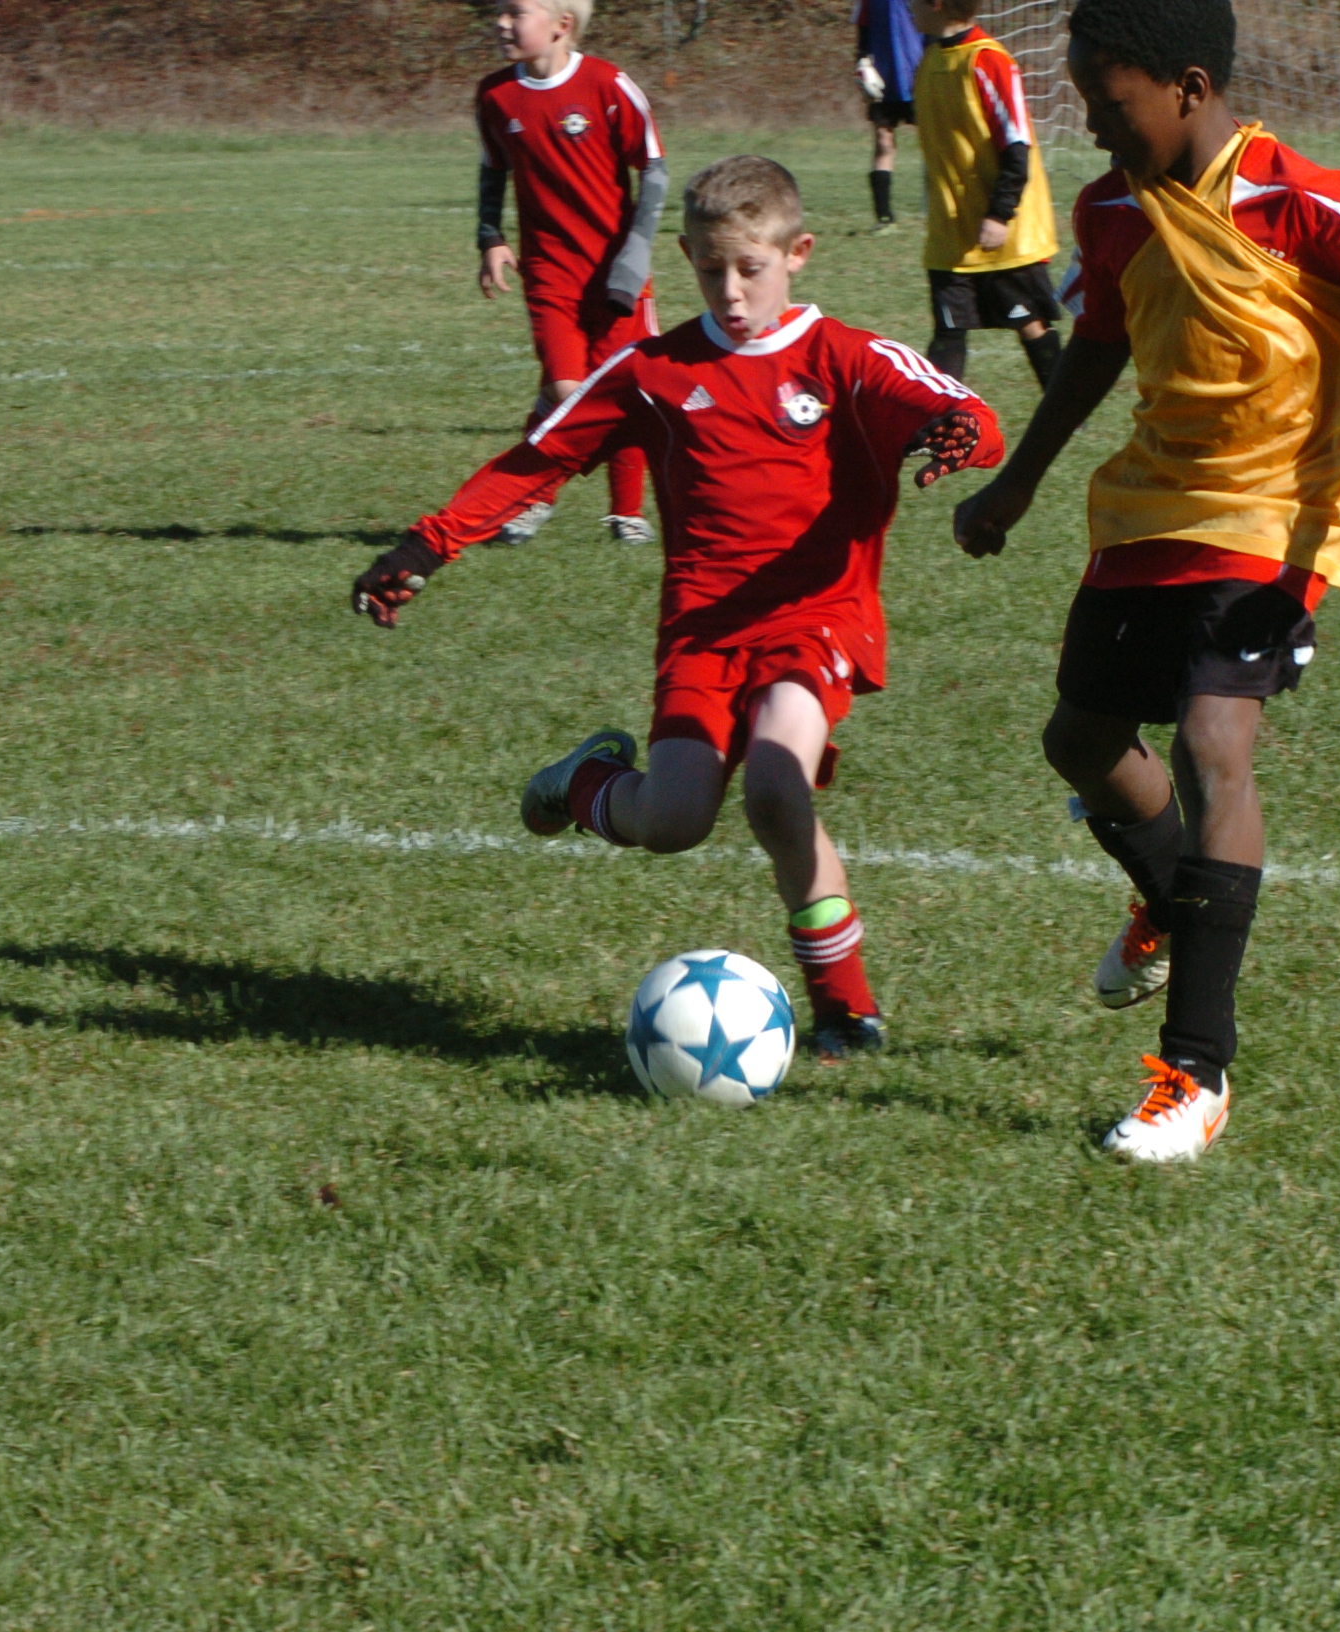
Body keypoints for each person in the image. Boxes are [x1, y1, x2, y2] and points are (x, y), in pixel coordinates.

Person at [952, 0, 1340, 1161]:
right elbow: (1098, 350)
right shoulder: (1110, 210)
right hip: (1157, 499)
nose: (1091, 127)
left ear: (1188, 88)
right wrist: (1017, 485)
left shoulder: (1296, 199)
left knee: (1211, 740)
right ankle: (1167, 896)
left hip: (1280, 510)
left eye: (1109, 103)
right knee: (1080, 740)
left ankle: (1193, 1074)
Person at [354, 158, 1005, 1061]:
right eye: (709, 270)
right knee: (674, 821)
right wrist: (427, 545)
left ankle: (844, 1010)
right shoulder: (654, 371)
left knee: (776, 783)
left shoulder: (844, 357)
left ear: (798, 253)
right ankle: (584, 782)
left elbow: (954, 404)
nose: (731, 292)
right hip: (702, 632)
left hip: (817, 614)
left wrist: (960, 433)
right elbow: (540, 459)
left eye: (750, 269)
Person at [475, 0, 667, 548]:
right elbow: (493, 168)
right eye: (500, 12)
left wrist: (635, 254)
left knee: (625, 390)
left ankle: (626, 513)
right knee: (567, 390)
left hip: (615, 272)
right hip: (549, 272)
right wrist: (490, 236)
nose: (502, 23)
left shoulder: (607, 85)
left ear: (562, 25)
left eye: (517, 12)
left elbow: (654, 170)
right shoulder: (495, 95)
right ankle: (533, 497)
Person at [908, 0, 1064, 390]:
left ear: (937, 4)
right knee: (948, 329)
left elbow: (1017, 144)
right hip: (952, 231)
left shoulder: (988, 60)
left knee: (1030, 323)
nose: (907, 7)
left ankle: (1065, 406)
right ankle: (940, 417)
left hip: (1003, 228)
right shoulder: (930, 61)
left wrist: (1000, 213)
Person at [854, 0, 925, 228]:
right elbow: (863, 29)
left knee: (935, 142)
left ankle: (948, 209)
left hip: (919, 74)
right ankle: (883, 217)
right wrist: (862, 62)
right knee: (883, 142)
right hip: (884, 77)